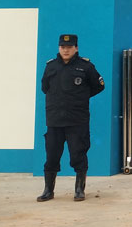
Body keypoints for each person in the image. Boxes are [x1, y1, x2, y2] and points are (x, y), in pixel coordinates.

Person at [37, 33, 105, 202]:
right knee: (51, 156)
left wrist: (80, 97)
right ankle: (48, 190)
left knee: (78, 155)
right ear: (59, 48)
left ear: (76, 48)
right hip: (54, 120)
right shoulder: (51, 66)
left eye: (69, 47)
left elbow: (99, 86)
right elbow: (45, 87)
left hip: (77, 119)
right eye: (62, 47)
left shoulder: (85, 67)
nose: (65, 50)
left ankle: (79, 190)